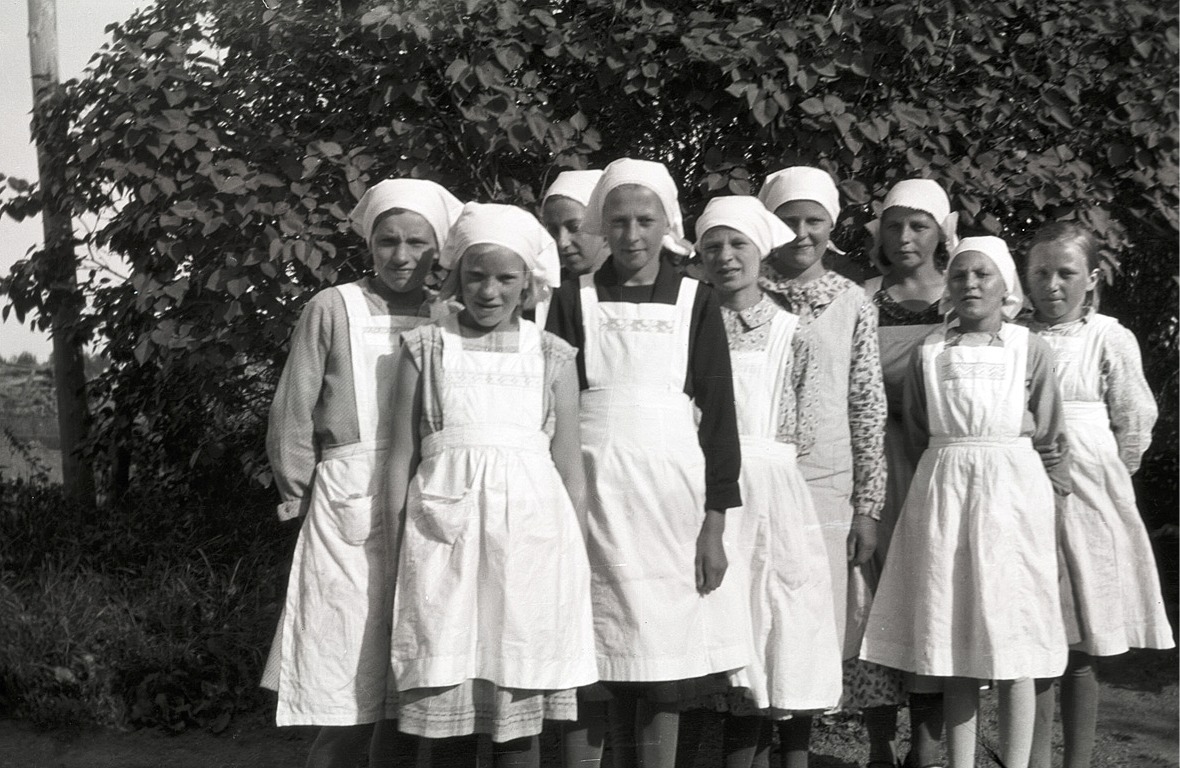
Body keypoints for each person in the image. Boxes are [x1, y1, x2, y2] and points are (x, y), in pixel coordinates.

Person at [546, 158, 746, 768]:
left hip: (668, 499)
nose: (632, 236)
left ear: (667, 224)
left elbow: (718, 416)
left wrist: (715, 522)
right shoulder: (570, 300)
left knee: (660, 658)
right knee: (591, 653)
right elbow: (551, 409)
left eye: (644, 221)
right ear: (601, 226)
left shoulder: (697, 301)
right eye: (619, 221)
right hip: (589, 492)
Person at [385, 202, 598, 768]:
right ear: (457, 276)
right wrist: (392, 545)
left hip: (531, 551)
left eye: (506, 278)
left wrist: (571, 560)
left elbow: (570, 468)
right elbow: (400, 458)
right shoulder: (425, 349)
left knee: (517, 714)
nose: (489, 291)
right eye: (476, 276)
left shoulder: (552, 356)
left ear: (529, 282)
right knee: (444, 704)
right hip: (443, 546)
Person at [262, 178, 462, 768]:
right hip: (345, 503)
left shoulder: (447, 315)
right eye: (388, 241)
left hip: (428, 499)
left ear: (439, 248)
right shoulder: (333, 307)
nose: (401, 256)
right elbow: (292, 416)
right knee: (344, 681)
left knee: (408, 685)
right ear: (370, 245)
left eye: (417, 243)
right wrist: (298, 502)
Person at [861, 236, 1071, 768]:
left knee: (1014, 632)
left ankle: (1018, 761)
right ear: (948, 289)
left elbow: (1050, 439)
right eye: (959, 276)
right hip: (946, 500)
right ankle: (960, 761)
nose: (970, 285)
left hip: (1014, 504)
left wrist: (1054, 511)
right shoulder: (930, 353)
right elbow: (915, 435)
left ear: (1005, 287)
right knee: (954, 636)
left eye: (983, 275)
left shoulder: (1030, 349)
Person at [691, 196, 843, 768]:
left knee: (779, 625)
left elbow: (806, 425)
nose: (726, 258)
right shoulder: (692, 322)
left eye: (738, 246)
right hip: (713, 494)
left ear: (761, 252)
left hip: (775, 493)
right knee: (729, 636)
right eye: (713, 247)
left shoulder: (791, 331)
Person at [1023, 222, 1175, 768]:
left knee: (1082, 637)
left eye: (1066, 273)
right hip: (1023, 492)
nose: (1053, 285)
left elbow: (1135, 417)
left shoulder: (1107, 337)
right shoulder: (1015, 336)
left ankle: (1078, 760)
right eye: (1041, 272)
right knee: (1039, 630)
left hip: (1090, 494)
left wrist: (1111, 473)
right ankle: (1034, 757)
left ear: (1090, 279)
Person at [755, 167, 893, 768]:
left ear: (831, 227)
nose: (801, 233)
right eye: (789, 221)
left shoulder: (853, 301)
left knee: (815, 622)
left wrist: (868, 506)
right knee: (760, 613)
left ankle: (798, 752)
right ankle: (755, 745)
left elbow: (867, 404)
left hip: (827, 487)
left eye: (814, 222)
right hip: (758, 479)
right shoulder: (743, 292)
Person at [861, 179, 956, 768]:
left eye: (918, 225)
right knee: (872, 598)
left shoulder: (964, 294)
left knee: (932, 595)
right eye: (894, 225)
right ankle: (877, 743)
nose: (904, 238)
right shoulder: (862, 297)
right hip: (875, 463)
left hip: (938, 465)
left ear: (940, 232)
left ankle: (927, 740)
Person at [540, 169, 610, 279]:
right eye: (553, 230)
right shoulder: (544, 291)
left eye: (574, 228)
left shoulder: (640, 291)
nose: (562, 242)